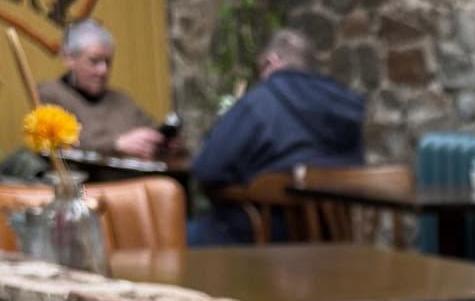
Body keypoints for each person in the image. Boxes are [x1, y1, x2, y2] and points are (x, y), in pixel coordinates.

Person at [188, 29, 366, 243]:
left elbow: (206, 169)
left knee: (173, 237)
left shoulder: (259, 102)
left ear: (272, 61)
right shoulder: (344, 105)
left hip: (261, 241)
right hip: (332, 242)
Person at [38, 20, 164, 159]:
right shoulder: (49, 94)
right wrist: (115, 144)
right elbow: (58, 144)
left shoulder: (121, 100)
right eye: (94, 61)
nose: (103, 70)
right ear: (69, 59)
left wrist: (164, 142)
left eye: (108, 62)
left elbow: (151, 129)